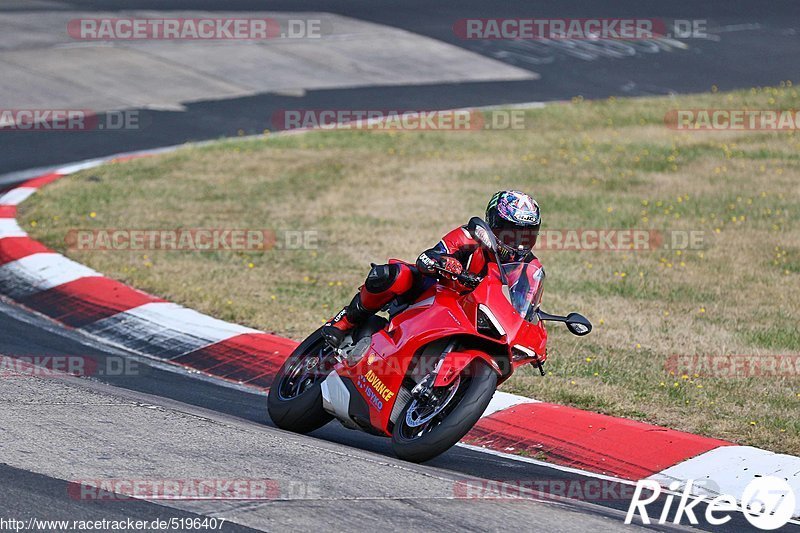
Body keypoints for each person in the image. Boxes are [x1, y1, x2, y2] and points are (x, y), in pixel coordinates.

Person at [321, 190, 543, 347]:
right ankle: (343, 321)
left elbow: (526, 304)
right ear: (493, 223)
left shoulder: (528, 267)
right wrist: (445, 263)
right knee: (396, 275)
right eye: (511, 232)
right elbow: (428, 257)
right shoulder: (472, 236)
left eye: (526, 235)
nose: (518, 243)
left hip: (476, 315)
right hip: (438, 293)